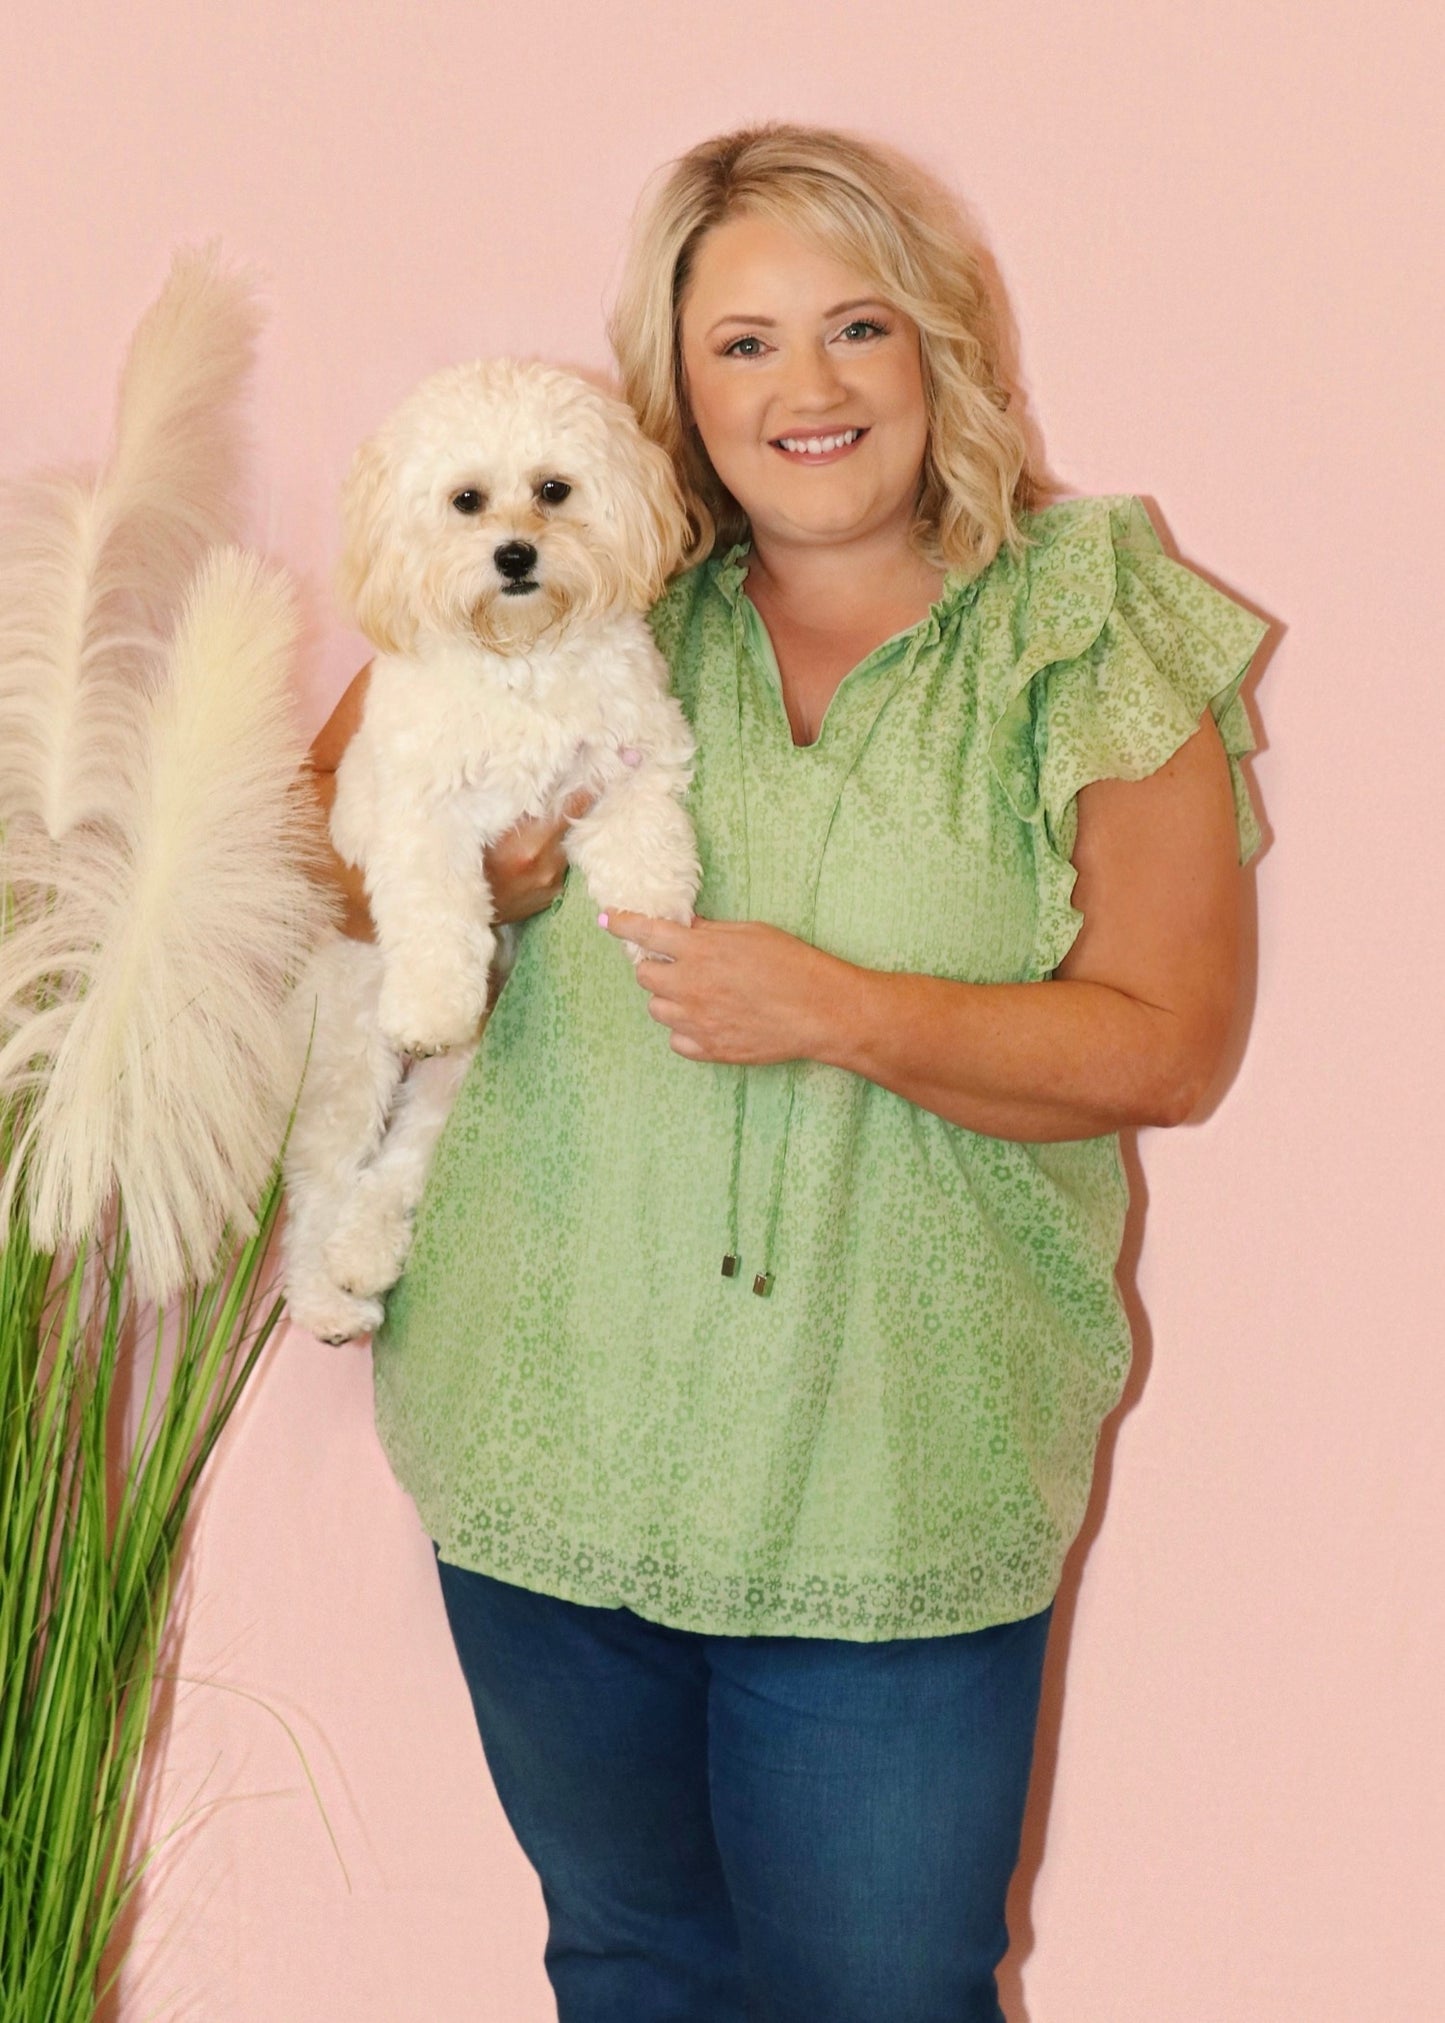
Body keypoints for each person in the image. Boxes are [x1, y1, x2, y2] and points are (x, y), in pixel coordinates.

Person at [308, 124, 1266, 2023]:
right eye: (739, 342)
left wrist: (840, 1006)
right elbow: (306, 844)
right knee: (635, 1968)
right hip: (545, 1439)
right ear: (673, 378)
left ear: (943, 347)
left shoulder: (1084, 623)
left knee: (888, 1992)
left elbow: (1169, 1044)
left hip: (895, 1470)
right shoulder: (567, 563)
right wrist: (465, 885)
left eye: (856, 327)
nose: (803, 390)